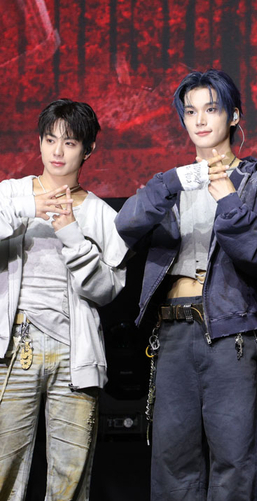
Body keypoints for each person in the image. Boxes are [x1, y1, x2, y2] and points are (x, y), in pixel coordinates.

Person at [114, 69, 257, 500]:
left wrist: (228, 200)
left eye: (211, 109)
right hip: (172, 333)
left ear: (234, 115)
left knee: (234, 461)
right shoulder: (172, 183)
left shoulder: (256, 181)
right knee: (172, 463)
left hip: (229, 334)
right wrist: (173, 181)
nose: (200, 120)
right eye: (190, 112)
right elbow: (126, 222)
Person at [0, 99, 128, 500]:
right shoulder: (11, 193)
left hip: (74, 353)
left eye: (70, 142)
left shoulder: (102, 215)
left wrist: (72, 234)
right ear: (39, 142)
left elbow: (107, 290)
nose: (58, 151)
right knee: (3, 472)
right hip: (15, 347)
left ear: (88, 150)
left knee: (69, 481)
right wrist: (30, 207)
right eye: (50, 139)